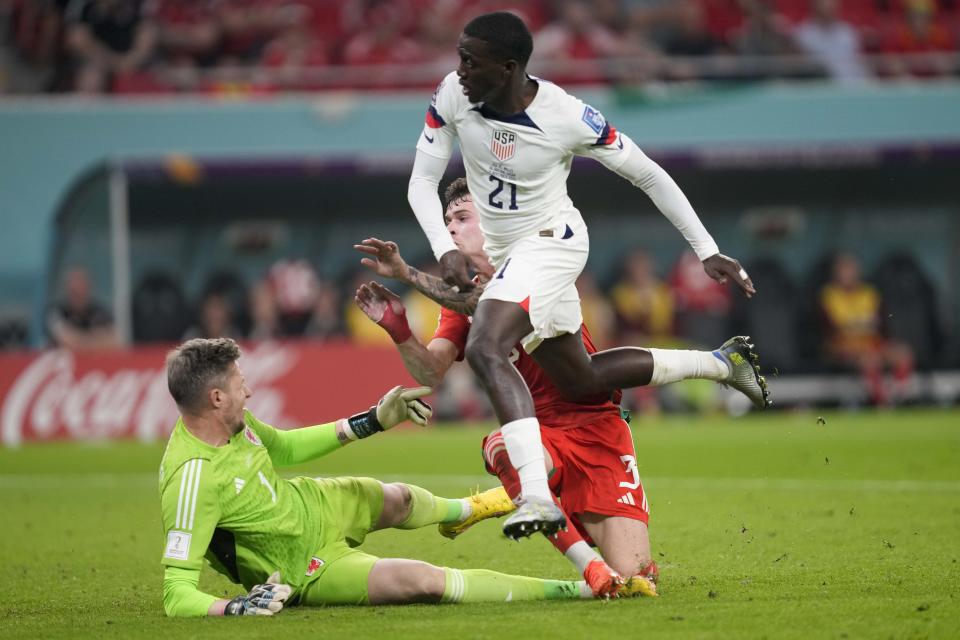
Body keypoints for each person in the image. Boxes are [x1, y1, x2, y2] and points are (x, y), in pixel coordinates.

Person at [406, 11, 768, 539]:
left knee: (485, 345)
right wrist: (443, 248)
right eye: (459, 56)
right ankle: (721, 364)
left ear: (508, 68)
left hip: (555, 243)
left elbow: (646, 172)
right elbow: (421, 179)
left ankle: (534, 496)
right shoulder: (452, 94)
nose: (458, 69)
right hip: (510, 256)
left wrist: (706, 248)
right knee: (582, 378)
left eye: (471, 61)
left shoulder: (567, 116)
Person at [354, 179, 759, 596]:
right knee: (502, 446)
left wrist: (407, 273)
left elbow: (484, 303)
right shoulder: (460, 296)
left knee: (638, 575)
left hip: (596, 424)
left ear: (491, 218)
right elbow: (431, 372)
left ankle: (496, 500)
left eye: (461, 217)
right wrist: (400, 330)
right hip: (536, 431)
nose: (451, 229)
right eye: (446, 221)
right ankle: (589, 569)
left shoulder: (537, 260)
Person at [159, 337, 622, 617]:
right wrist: (233, 606)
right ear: (217, 398)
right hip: (305, 569)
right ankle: (576, 589)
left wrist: (372, 421)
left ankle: (466, 510)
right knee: (422, 582)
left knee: (398, 499)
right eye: (241, 385)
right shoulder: (192, 479)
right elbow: (176, 594)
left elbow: (283, 447)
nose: (250, 390)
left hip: (314, 504)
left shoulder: (234, 422)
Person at [46, 265, 119, 349]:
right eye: (74, 292)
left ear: (89, 288)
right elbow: (65, 340)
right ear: (67, 290)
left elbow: (114, 340)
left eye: (81, 289)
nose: (78, 294)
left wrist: (79, 340)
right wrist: (96, 339)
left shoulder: (101, 312)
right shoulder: (55, 312)